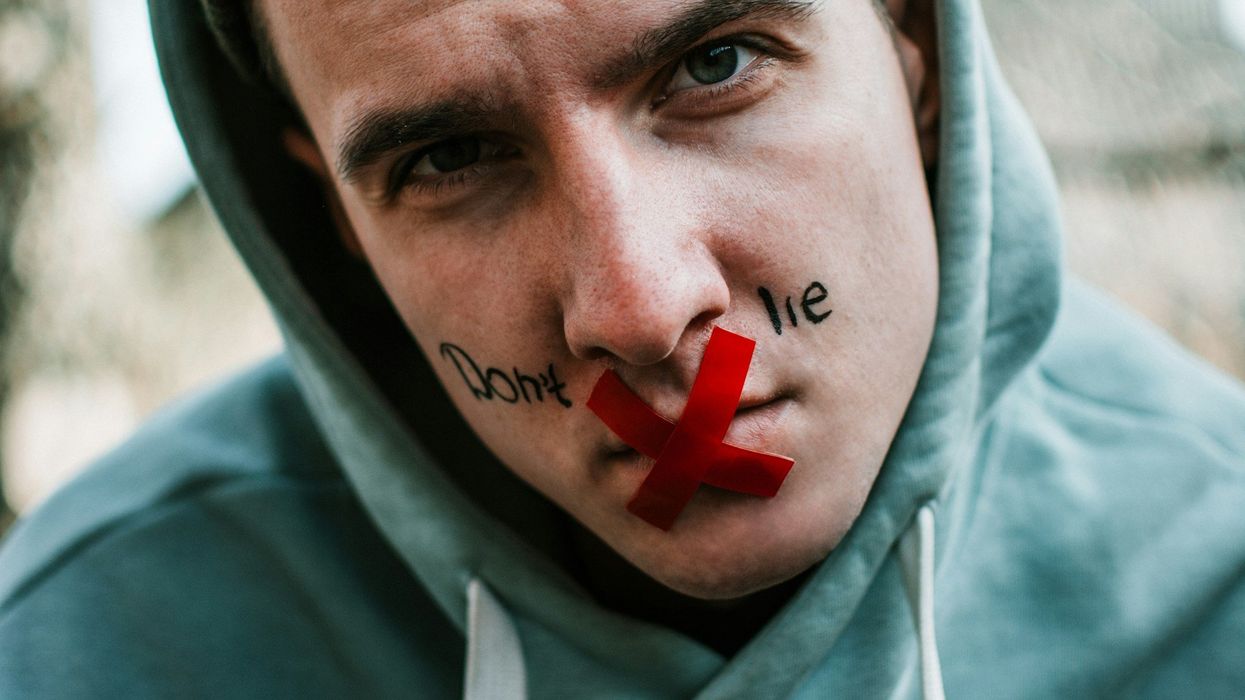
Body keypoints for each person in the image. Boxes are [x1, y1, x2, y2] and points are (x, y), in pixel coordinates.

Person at [2, 0, 1243, 696]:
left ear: (908, 42)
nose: (639, 308)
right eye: (449, 158)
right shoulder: (92, 648)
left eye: (716, 66)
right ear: (333, 215)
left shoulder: (1217, 573)